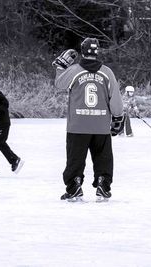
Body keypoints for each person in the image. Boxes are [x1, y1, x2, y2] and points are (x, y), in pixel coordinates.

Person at [53, 37, 124, 202]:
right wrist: (118, 116)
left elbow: (59, 84)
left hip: (78, 125)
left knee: (75, 159)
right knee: (103, 158)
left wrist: (59, 67)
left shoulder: (74, 70)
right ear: (97, 52)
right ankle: (103, 185)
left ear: (82, 51)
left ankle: (74, 187)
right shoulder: (106, 72)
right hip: (101, 125)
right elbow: (115, 98)